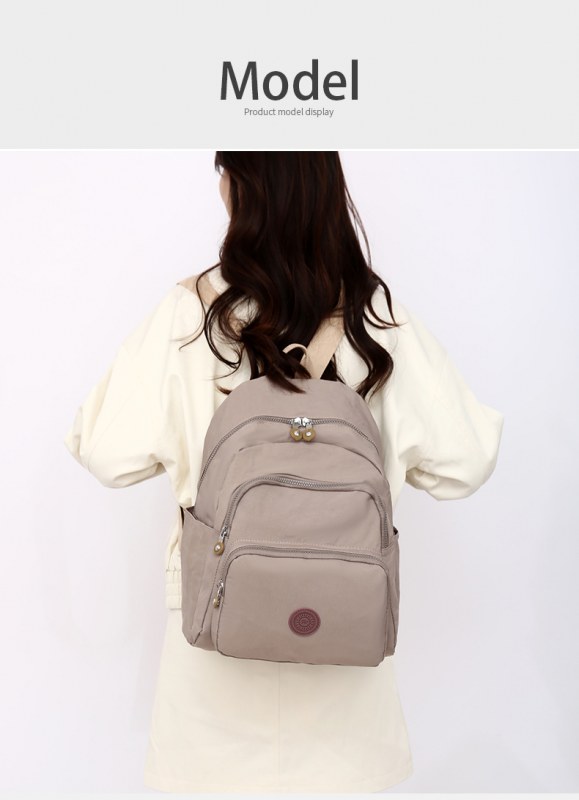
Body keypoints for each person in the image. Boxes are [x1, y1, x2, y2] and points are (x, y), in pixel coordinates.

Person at [63, 151, 504, 794]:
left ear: (242, 186)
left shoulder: (190, 315)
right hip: (345, 659)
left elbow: (105, 451)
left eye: (224, 172)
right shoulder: (376, 318)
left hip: (214, 665)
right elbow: (467, 461)